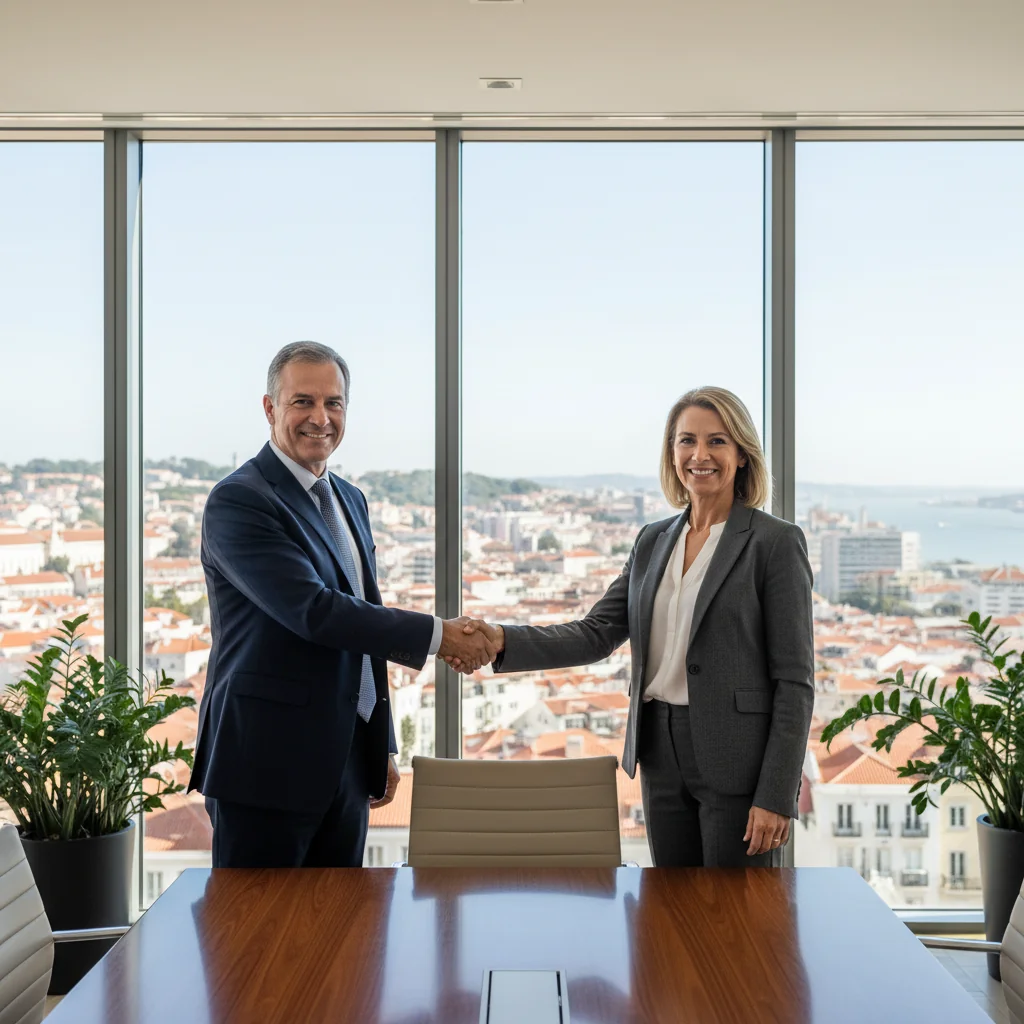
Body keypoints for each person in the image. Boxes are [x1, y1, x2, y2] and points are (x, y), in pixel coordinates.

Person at [454, 387, 814, 867]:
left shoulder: (775, 542)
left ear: (743, 455)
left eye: (717, 442)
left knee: (736, 920)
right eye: (687, 441)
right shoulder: (653, 541)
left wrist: (775, 793)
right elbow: (596, 632)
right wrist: (501, 639)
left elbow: (795, 681)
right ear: (672, 452)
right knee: (669, 912)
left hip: (738, 759)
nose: (699, 455)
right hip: (659, 752)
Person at [189, 341, 497, 868]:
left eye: (334, 403)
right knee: (257, 939)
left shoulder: (349, 498)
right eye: (302, 402)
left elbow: (362, 620)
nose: (320, 418)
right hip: (266, 764)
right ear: (270, 408)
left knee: (343, 935)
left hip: (349, 761)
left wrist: (381, 746)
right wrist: (440, 634)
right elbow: (316, 611)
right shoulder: (240, 499)